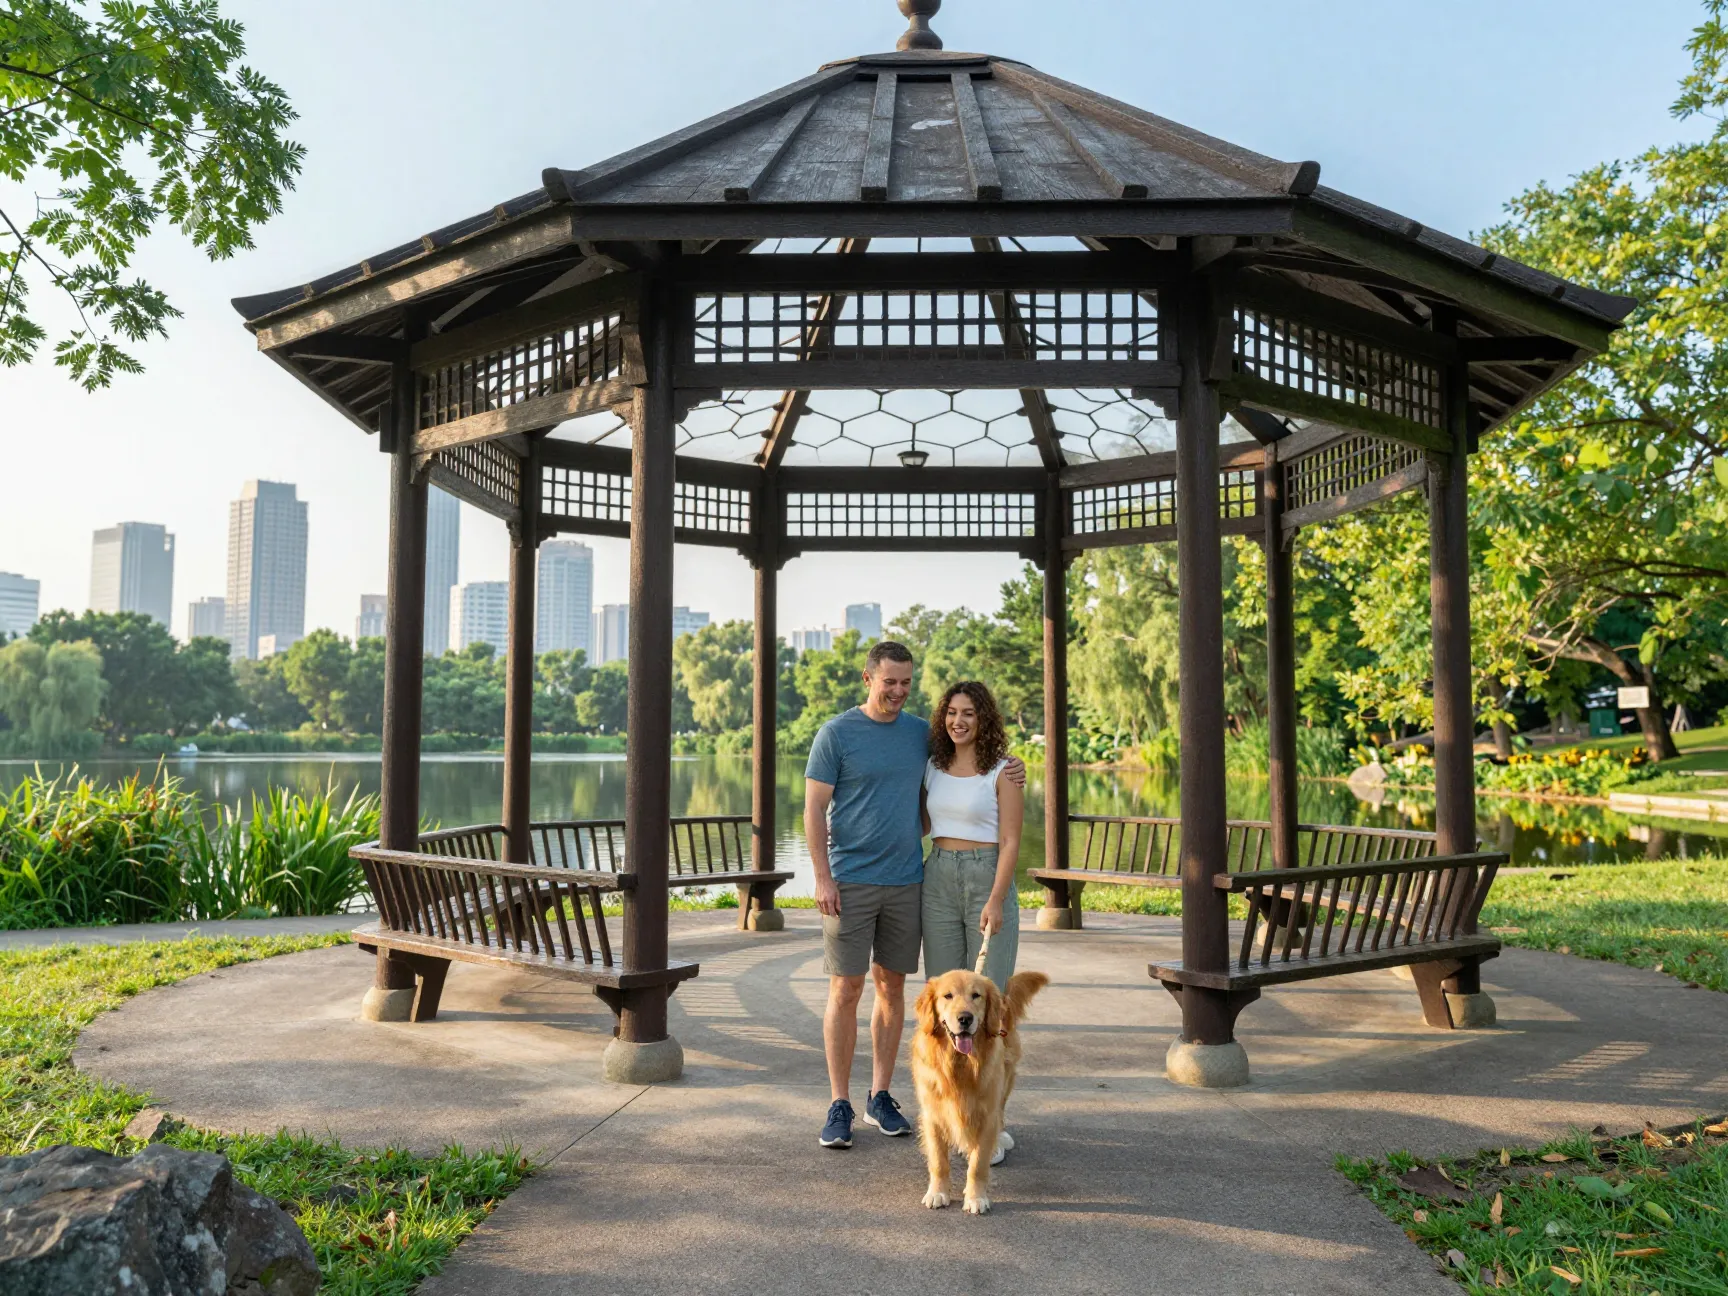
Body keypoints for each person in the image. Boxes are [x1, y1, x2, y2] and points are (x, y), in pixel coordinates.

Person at [805, 641, 1023, 1150]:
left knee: (895, 990)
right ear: (868, 679)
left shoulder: (921, 736)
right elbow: (814, 810)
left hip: (908, 881)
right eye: (889, 682)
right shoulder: (835, 734)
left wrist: (1014, 769)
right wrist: (821, 876)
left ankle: (883, 1096)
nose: (898, 691)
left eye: (906, 682)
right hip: (852, 880)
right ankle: (840, 1104)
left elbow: (958, 780)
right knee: (846, 989)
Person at [920, 680, 1023, 990]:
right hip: (937, 878)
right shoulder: (932, 766)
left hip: (987, 876)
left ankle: (995, 1041)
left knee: (988, 992)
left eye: (968, 713)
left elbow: (1010, 841)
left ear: (983, 720)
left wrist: (996, 900)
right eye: (951, 713)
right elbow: (921, 825)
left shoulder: (1004, 771)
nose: (958, 722)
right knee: (943, 991)